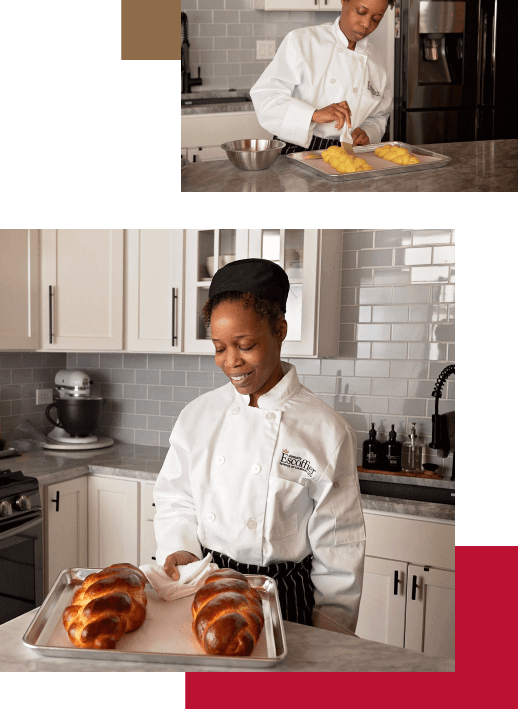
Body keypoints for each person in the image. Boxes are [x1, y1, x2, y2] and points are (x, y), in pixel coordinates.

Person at [153, 258, 366, 634]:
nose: (231, 361)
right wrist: (182, 548)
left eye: (245, 345)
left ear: (280, 330)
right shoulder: (197, 415)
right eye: (219, 347)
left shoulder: (327, 432)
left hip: (284, 602)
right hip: (204, 587)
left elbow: (339, 550)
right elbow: (175, 497)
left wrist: (332, 639)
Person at [250, 0, 401, 155]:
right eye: (361, 12)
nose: (366, 24)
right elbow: (266, 98)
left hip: (347, 154)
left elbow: (379, 116)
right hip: (297, 150)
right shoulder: (302, 42)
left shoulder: (378, 64)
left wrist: (368, 133)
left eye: (376, 19)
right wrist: (314, 114)